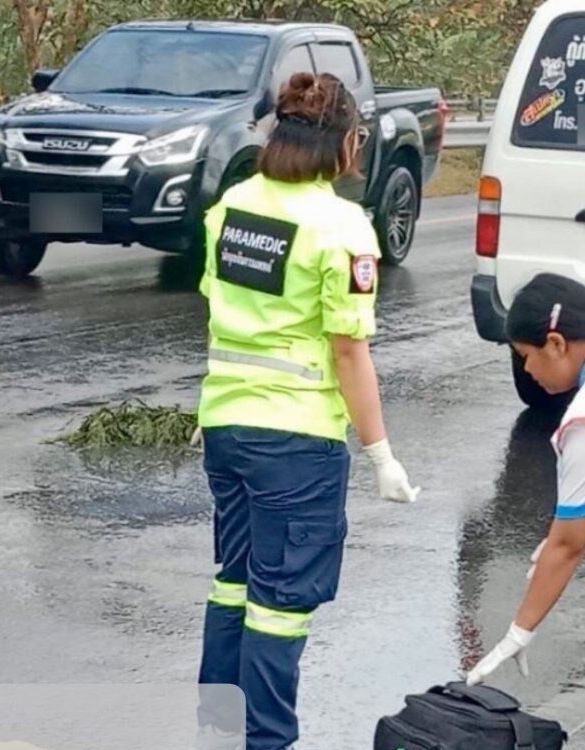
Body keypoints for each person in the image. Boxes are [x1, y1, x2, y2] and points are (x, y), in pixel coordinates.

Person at [194, 72, 420, 750]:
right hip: (295, 440)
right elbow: (349, 352)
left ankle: (217, 733)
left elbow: (217, 304)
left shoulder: (232, 205)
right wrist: (380, 454)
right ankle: (266, 742)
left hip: (226, 425)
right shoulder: (342, 225)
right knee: (281, 605)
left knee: (234, 581)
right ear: (347, 145)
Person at [465, 273, 585, 686]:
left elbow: (570, 544)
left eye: (524, 355)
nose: (526, 369)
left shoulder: (582, 422)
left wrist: (518, 631)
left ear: (555, 343)